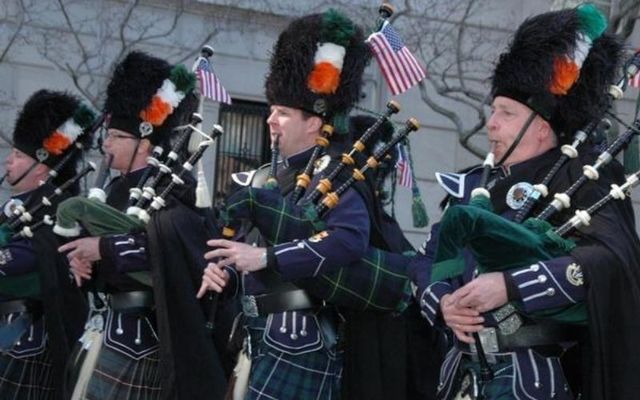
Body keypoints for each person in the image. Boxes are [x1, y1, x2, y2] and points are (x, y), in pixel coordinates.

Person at [409, 4, 640, 399]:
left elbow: (609, 261)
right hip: (461, 379)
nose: (491, 123)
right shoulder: (474, 183)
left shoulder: (585, 177)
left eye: (506, 113)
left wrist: (510, 285)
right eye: (493, 110)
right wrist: (443, 301)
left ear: (542, 127)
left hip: (535, 380)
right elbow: (426, 260)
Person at [198, 9, 380, 400]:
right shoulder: (267, 176)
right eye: (270, 111)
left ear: (314, 122)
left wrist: (265, 257)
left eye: (282, 113)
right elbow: (247, 254)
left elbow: (349, 241)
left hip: (303, 340)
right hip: (257, 336)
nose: (270, 120)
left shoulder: (337, 173)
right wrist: (226, 275)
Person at [59, 51, 226, 400]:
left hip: (146, 336)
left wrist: (102, 248)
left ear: (144, 141)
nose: (106, 144)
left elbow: (170, 248)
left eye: (117, 136)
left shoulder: (174, 188)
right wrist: (82, 260)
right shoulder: (110, 189)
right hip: (105, 328)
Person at [0, 89, 92, 399]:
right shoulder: (13, 206)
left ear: (40, 166)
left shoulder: (59, 208)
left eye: (17, 156)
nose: (8, 162)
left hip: (26, 337)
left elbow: (26, 260)